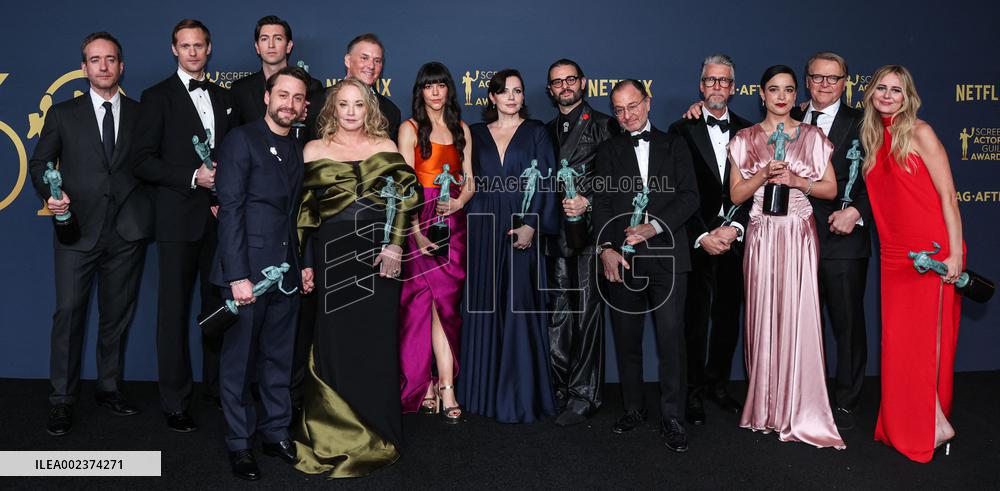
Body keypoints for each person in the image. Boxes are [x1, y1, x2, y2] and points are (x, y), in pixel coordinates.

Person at [294, 78, 420, 477]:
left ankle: (379, 431)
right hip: (334, 256)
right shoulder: (313, 150)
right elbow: (303, 215)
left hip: (379, 257)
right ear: (331, 109)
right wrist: (304, 262)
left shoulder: (385, 147)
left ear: (370, 109)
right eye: (343, 104)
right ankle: (333, 433)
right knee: (335, 340)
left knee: (376, 341)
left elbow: (406, 198)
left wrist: (396, 245)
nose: (351, 112)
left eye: (359, 105)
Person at [29, 32, 152, 436]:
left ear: (121, 66)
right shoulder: (63, 114)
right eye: (95, 60)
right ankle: (61, 400)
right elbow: (40, 164)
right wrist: (53, 193)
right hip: (76, 231)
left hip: (127, 232)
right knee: (68, 315)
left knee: (116, 317)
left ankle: (109, 387)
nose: (103, 66)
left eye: (111, 59)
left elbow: (153, 168)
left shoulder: (140, 114)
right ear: (84, 68)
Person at [727, 65, 843, 449]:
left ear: (797, 95)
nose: (781, 96)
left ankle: (801, 406)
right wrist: (762, 175)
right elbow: (736, 197)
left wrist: (797, 181)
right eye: (773, 89)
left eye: (789, 90)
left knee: (799, 317)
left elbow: (829, 189)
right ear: (760, 93)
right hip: (761, 236)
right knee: (762, 317)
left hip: (798, 235)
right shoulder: (743, 139)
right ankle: (766, 407)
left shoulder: (812, 136)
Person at [210, 67, 311, 481]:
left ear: (305, 105)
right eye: (282, 95)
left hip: (286, 272)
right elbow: (229, 210)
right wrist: (237, 276)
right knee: (238, 363)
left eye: (297, 98)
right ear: (267, 97)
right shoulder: (241, 140)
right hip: (247, 274)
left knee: (278, 358)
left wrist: (304, 262)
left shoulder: (298, 146)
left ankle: (274, 432)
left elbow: (295, 214)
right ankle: (239, 443)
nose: (289, 104)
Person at [133, 18, 233, 432]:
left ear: (209, 49)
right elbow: (141, 161)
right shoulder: (155, 97)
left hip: (221, 221)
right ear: (174, 49)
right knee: (173, 314)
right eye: (184, 46)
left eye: (199, 45)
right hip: (177, 222)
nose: (192, 52)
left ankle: (217, 390)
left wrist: (221, 195)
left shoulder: (226, 98)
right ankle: (175, 401)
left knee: (220, 309)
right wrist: (194, 177)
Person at [861, 65, 964, 463]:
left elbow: (949, 197)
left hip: (930, 254)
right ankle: (917, 423)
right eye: (882, 88)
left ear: (908, 97)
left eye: (896, 91)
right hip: (894, 255)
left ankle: (933, 424)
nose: (888, 95)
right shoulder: (872, 136)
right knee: (899, 346)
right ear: (871, 93)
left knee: (923, 347)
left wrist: (953, 254)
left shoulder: (920, 132)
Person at [591, 79, 699, 452]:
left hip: (669, 257)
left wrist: (653, 226)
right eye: (619, 110)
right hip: (622, 259)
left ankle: (672, 416)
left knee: (671, 339)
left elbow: (690, 198)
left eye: (633, 106)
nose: (627, 115)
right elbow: (601, 202)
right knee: (626, 338)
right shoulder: (607, 150)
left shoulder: (675, 143)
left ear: (648, 102)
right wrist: (605, 248)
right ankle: (633, 408)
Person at [459, 69, 559, 423]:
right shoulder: (473, 133)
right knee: (484, 305)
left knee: (520, 306)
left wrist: (531, 224)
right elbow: (463, 181)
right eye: (504, 91)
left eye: (517, 91)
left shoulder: (536, 133)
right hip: (483, 225)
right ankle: (481, 393)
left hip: (521, 225)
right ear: (492, 97)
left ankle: (521, 395)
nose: (512, 97)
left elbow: (547, 181)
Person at [668, 54, 754, 425]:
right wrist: (702, 234)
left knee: (728, 317)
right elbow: (674, 191)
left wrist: (735, 229)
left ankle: (719, 385)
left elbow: (756, 191)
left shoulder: (752, 131)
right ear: (701, 86)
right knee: (695, 319)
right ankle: (693, 392)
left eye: (724, 81)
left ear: (733, 88)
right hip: (697, 238)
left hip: (735, 238)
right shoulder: (680, 130)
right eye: (710, 80)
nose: (717, 86)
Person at [793, 52, 871, 431]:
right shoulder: (790, 118)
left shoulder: (863, 121)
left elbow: (884, 176)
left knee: (846, 322)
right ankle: (804, 394)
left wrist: (856, 212)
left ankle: (847, 399)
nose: (824, 85)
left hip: (842, 238)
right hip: (793, 239)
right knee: (799, 323)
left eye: (833, 78)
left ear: (845, 82)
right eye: (817, 77)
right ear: (807, 80)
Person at [543, 59, 619, 426]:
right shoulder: (544, 130)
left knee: (587, 311)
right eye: (557, 82)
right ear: (550, 89)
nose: (565, 86)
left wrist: (587, 198)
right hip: (555, 232)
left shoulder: (605, 124)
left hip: (591, 232)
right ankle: (558, 387)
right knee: (558, 311)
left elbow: (621, 176)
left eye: (570, 79)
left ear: (583, 82)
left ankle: (585, 393)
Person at [397, 62, 474, 423]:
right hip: (419, 223)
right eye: (429, 86)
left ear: (449, 90)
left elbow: (470, 181)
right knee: (418, 308)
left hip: (452, 223)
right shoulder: (410, 129)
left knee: (446, 307)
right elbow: (404, 187)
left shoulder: (462, 130)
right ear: (421, 91)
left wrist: (459, 202)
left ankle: (446, 385)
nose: (436, 92)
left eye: (441, 85)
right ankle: (422, 383)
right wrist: (415, 232)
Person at [229, 15, 326, 142]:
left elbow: (316, 134)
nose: (271, 45)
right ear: (257, 47)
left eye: (278, 39)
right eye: (264, 39)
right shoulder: (240, 89)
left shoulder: (312, 86)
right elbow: (236, 137)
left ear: (289, 46)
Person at [336, 33, 400, 141]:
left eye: (377, 61)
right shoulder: (318, 100)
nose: (371, 66)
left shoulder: (391, 112)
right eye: (364, 58)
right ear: (348, 60)